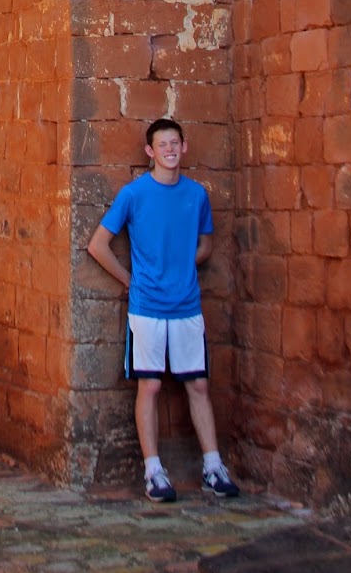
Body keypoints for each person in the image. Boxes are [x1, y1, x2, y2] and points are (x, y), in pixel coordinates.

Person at [87, 117, 240, 504]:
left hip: (187, 305)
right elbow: (98, 245)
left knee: (198, 384)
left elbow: (206, 244)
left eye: (175, 143)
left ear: (184, 147)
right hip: (147, 308)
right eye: (162, 145)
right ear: (150, 152)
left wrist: (184, 266)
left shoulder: (196, 195)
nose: (170, 150)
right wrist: (130, 281)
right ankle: (153, 471)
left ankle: (213, 466)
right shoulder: (134, 194)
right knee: (150, 386)